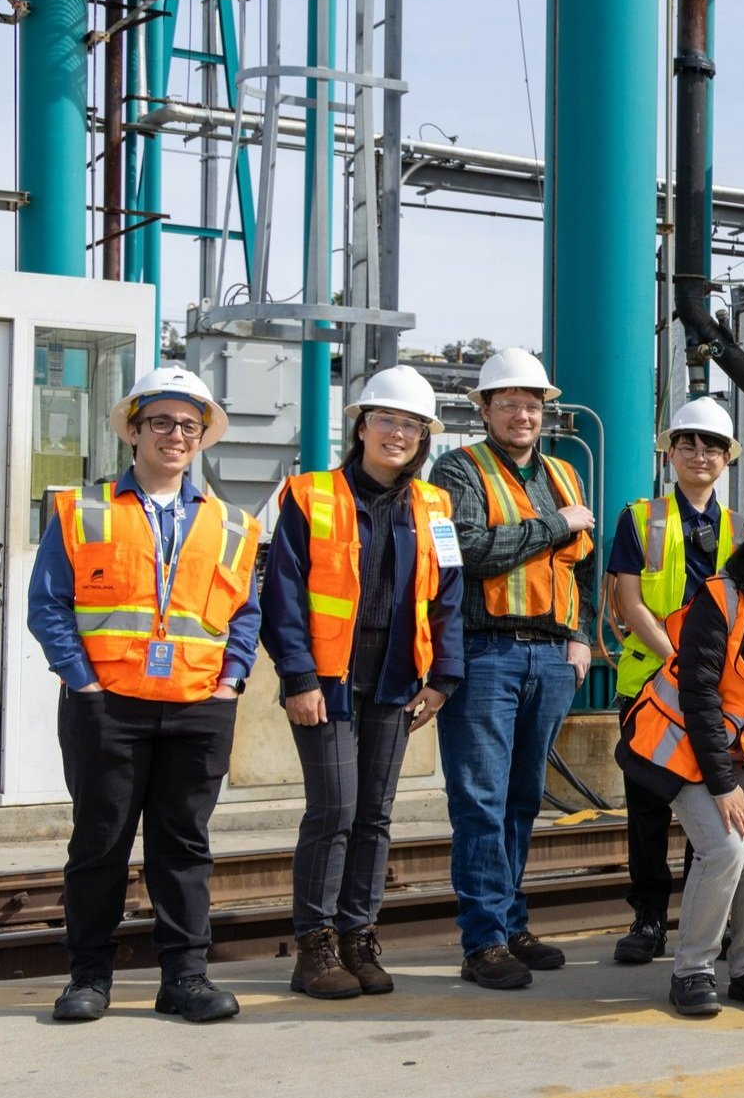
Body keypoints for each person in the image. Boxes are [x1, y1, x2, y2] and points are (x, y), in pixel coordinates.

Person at [34, 367, 263, 1024]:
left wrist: (230, 683)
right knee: (100, 844)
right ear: (133, 431)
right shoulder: (85, 509)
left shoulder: (232, 524)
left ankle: (185, 979)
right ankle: (88, 979)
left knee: (183, 848)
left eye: (188, 425)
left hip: (198, 709)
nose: (174, 435)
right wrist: (82, 681)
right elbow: (49, 604)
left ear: (202, 439)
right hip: (107, 706)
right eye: (160, 422)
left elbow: (244, 613)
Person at [264, 366, 464, 1001]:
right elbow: (283, 594)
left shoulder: (435, 506)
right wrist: (298, 677)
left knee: (374, 816)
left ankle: (358, 938)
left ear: (425, 437)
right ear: (361, 425)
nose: (398, 434)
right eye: (387, 420)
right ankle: (314, 947)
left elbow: (448, 596)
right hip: (328, 679)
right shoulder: (309, 496)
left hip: (397, 678)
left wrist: (444, 677)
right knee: (335, 811)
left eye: (411, 425)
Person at [616, 481, 744, 1016]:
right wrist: (725, 788)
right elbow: (700, 697)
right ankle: (691, 970)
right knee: (726, 848)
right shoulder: (720, 596)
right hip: (684, 748)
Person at [427, 347, 598, 991]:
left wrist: (581, 636)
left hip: (552, 654)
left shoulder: (561, 472)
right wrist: (554, 525)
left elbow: (580, 565)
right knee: (480, 800)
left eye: (532, 404)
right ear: (484, 408)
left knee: (523, 798)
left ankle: (511, 920)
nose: (522, 414)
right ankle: (484, 941)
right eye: (509, 403)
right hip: (486, 650)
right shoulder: (458, 468)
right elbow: (466, 549)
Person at [606, 397, 741, 966]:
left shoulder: (741, 528)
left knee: (710, 812)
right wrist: (677, 663)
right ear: (670, 452)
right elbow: (628, 601)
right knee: (647, 811)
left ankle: (703, 920)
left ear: (727, 457)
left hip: (715, 695)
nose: (699, 454)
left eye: (711, 445)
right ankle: (648, 920)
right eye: (688, 442)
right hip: (650, 689)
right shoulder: (641, 517)